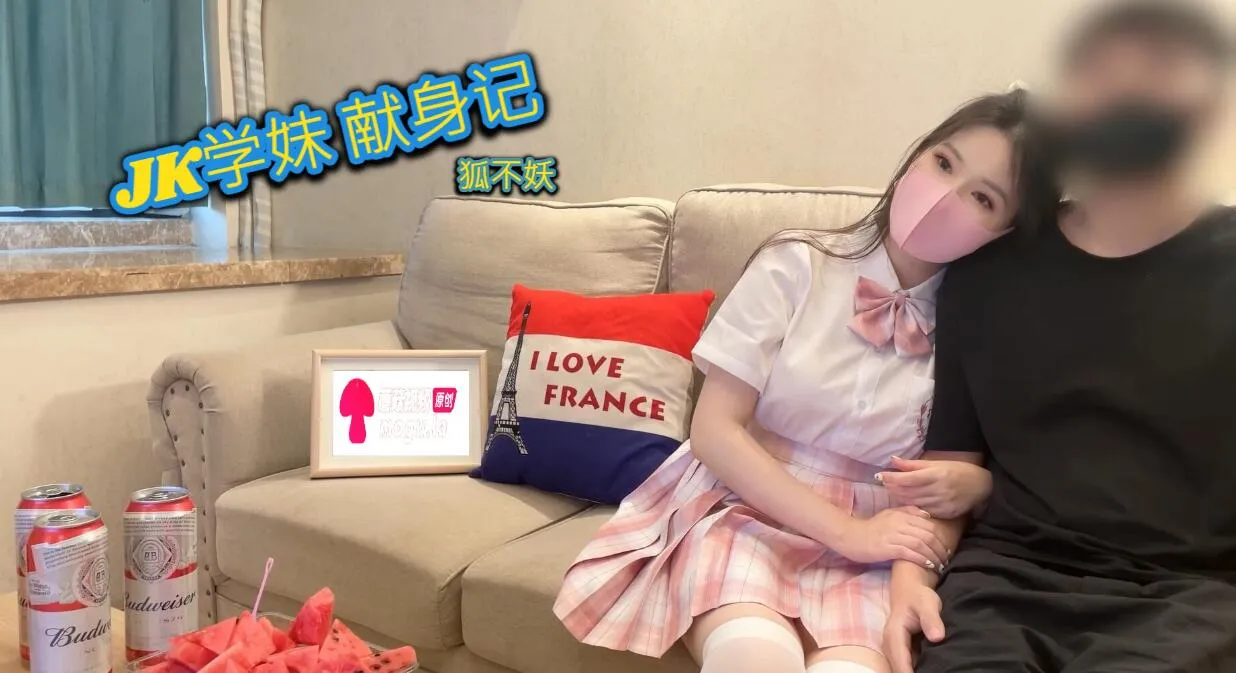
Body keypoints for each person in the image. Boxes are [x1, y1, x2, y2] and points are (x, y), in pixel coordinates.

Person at [552, 90, 1060, 673]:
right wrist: (847, 532)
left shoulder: (977, 330)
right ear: (917, 155)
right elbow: (715, 430)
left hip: (880, 540)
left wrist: (966, 497)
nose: (944, 196)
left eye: (982, 197)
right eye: (943, 162)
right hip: (747, 504)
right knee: (754, 657)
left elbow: (945, 490)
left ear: (1006, 232)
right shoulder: (796, 263)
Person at [882, 2, 1236, 672]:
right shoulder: (985, 274)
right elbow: (944, 472)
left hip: (1188, 599)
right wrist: (909, 584)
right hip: (1000, 586)